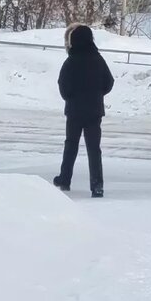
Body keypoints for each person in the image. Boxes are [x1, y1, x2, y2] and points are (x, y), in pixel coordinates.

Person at [54, 25, 115, 198]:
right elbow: (109, 82)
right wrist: (97, 94)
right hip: (95, 110)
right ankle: (97, 185)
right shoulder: (98, 59)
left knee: (71, 145)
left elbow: (63, 84)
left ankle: (64, 179)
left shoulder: (71, 61)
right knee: (94, 149)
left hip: (74, 110)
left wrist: (70, 98)